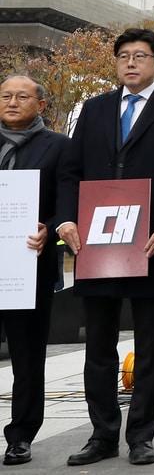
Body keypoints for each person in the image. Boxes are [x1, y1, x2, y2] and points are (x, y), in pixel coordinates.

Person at [54, 28, 154, 466]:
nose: (131, 63)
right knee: (98, 344)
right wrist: (65, 219)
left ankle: (141, 436)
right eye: (124, 56)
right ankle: (102, 435)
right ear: (116, 63)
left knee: (150, 342)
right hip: (97, 242)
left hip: (150, 241)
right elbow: (70, 172)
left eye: (140, 56)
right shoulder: (94, 108)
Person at [0, 75, 69, 466]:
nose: (12, 102)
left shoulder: (59, 147)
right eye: (6, 96)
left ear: (40, 104)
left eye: (22, 96)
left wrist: (51, 227)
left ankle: (21, 435)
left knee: (27, 357)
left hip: (29, 266)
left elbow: (68, 201)